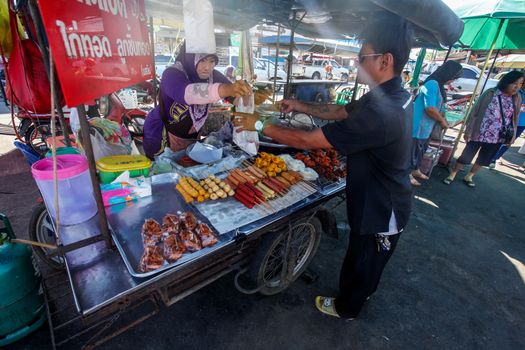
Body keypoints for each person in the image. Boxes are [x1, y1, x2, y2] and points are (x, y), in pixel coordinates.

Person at [233, 14, 413, 319]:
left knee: (365, 260)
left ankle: (348, 308)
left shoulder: (383, 113)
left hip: (382, 207)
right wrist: (300, 105)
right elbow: (341, 110)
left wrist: (259, 123)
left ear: (385, 60)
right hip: (373, 193)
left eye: (361, 58)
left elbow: (309, 141)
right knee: (362, 254)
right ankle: (358, 295)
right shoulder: (387, 96)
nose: (356, 65)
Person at [143, 44, 251, 159]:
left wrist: (248, 97)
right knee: (162, 171)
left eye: (212, 61)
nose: (207, 67)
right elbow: (187, 94)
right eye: (202, 60)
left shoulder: (212, 75)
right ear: (190, 58)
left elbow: (234, 98)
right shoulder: (172, 74)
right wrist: (226, 89)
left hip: (191, 138)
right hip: (161, 134)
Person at [443, 71, 524, 187]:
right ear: (506, 82)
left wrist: (512, 136)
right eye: (514, 83)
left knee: (484, 158)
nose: (517, 87)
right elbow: (474, 111)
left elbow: (514, 118)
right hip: (479, 132)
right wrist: (468, 130)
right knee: (466, 155)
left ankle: (469, 176)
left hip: (498, 136)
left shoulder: (517, 97)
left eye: (520, 84)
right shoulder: (491, 93)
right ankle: (453, 173)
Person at [410, 61, 462, 186]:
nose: (452, 81)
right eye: (453, 78)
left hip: (427, 127)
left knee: (421, 150)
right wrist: (442, 120)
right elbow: (430, 108)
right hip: (418, 124)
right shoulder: (432, 84)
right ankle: (406, 174)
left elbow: (440, 105)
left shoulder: (439, 85)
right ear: (448, 74)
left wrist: (443, 115)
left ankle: (415, 170)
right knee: (412, 151)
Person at [489, 79, 525, 168]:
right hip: (509, 120)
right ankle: (489, 157)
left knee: (508, 142)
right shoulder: (517, 91)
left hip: (522, 123)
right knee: (498, 139)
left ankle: (494, 159)